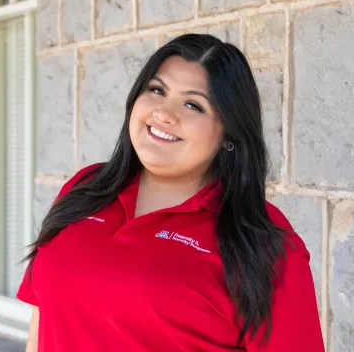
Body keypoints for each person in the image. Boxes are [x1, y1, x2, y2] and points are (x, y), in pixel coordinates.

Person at [18, 34, 325, 352]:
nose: (164, 113)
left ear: (228, 135)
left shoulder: (261, 241)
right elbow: (42, 318)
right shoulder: (85, 188)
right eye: (157, 90)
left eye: (193, 104)